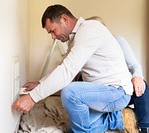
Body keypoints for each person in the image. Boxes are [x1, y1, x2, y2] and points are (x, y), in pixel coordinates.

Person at [13, 4, 134, 132]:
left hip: (116, 92)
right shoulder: (76, 38)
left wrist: (33, 97)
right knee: (73, 128)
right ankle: (118, 118)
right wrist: (40, 83)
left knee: (70, 92)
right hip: (99, 93)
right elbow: (63, 66)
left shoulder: (89, 29)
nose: (53, 37)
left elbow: (67, 71)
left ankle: (111, 117)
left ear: (64, 19)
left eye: (53, 31)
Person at [86, 16, 149, 133]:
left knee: (142, 85)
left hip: (121, 89)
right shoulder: (85, 49)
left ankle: (145, 127)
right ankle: (117, 117)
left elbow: (134, 65)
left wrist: (137, 77)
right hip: (101, 93)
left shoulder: (117, 41)